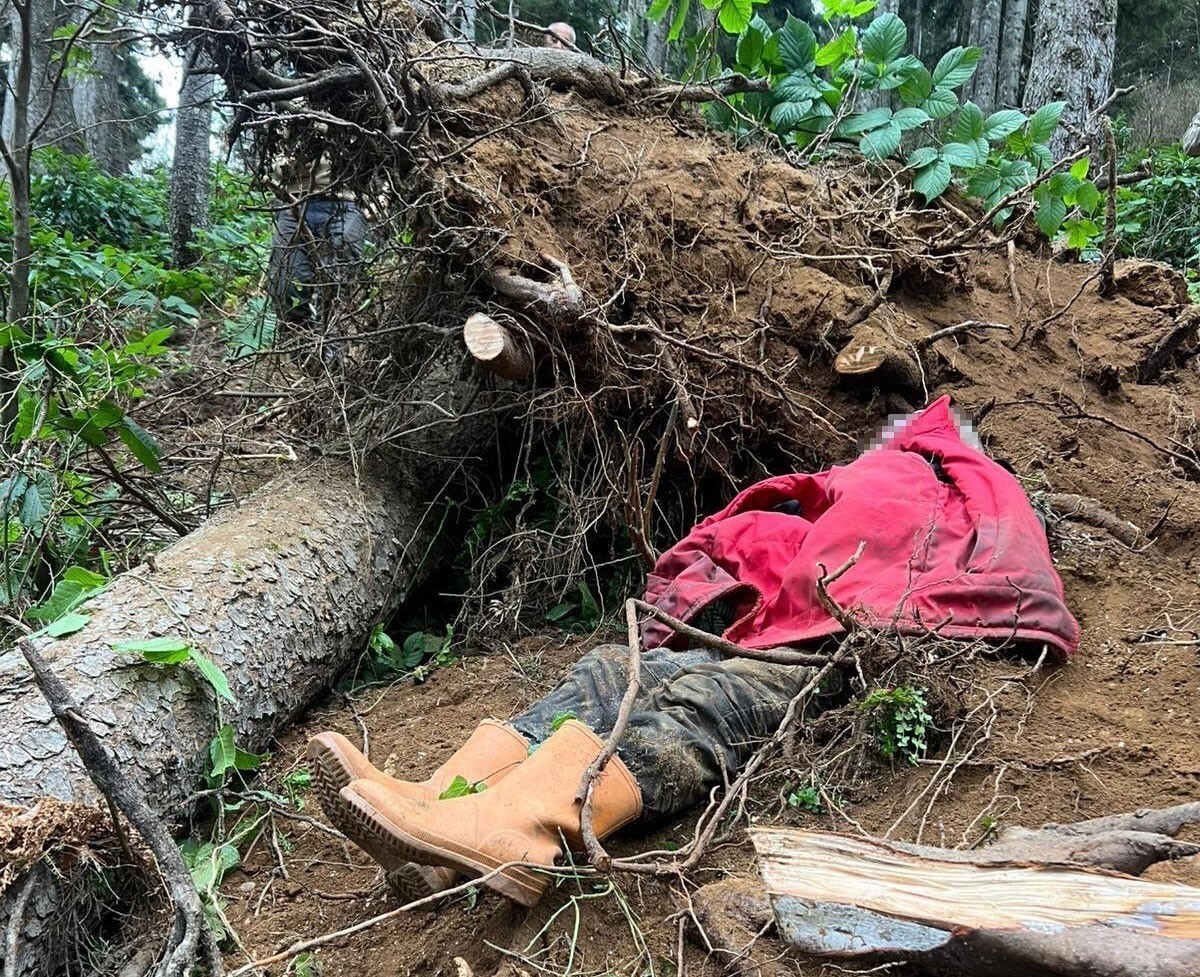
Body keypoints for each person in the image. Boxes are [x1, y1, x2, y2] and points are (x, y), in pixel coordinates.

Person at [307, 397, 1079, 907]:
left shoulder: (970, 480)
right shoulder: (869, 476)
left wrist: (900, 607)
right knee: (609, 670)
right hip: (785, 622)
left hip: (858, 639)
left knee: (702, 706)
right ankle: (441, 810)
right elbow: (778, 530)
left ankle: (524, 829)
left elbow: (1010, 571)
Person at [267, 148, 369, 361]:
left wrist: (382, 198)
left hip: (346, 202)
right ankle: (302, 355)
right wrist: (296, 160)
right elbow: (273, 166)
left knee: (338, 284)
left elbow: (384, 156)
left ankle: (333, 361)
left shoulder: (359, 114)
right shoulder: (287, 118)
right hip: (294, 203)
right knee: (287, 284)